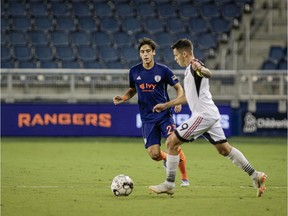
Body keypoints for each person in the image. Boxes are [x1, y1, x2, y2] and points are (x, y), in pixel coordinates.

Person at [149, 38, 267, 197]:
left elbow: (207, 73)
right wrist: (166, 105)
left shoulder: (195, 66)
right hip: (209, 115)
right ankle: (255, 175)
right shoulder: (188, 70)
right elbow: (187, 98)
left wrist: (201, 69)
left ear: (185, 54)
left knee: (171, 142)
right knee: (225, 150)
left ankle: (169, 184)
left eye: (176, 56)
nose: (175, 59)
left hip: (203, 115)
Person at [113, 38, 190, 186]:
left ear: (153, 52)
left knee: (173, 143)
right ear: (139, 54)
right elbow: (133, 90)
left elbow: (179, 87)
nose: (145, 54)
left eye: (148, 51)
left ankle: (184, 178)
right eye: (142, 52)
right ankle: (167, 158)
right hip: (147, 118)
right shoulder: (134, 71)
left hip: (164, 115)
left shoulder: (163, 70)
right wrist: (123, 97)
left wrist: (178, 101)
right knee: (154, 154)